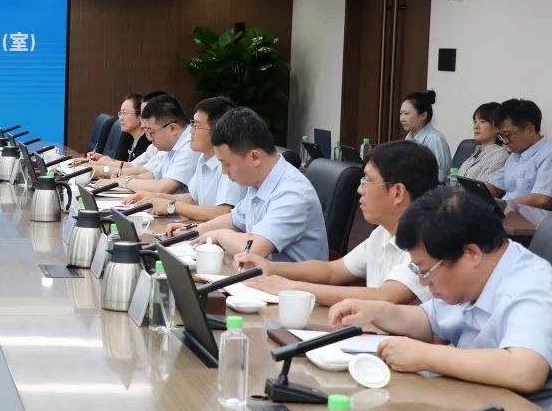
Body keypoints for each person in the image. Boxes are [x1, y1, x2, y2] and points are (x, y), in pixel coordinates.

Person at [330, 188, 552, 411]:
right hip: (483, 406)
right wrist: (377, 311)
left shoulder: (535, 288)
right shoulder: (476, 275)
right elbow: (430, 321)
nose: (423, 282)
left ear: (471, 254)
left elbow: (525, 370)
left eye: (426, 271)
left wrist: (426, 356)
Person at [238, 141, 438, 305]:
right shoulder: (382, 232)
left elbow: (385, 297)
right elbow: (332, 271)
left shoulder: (427, 241)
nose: (360, 190)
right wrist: (271, 268)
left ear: (397, 192)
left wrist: (291, 288)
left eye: (367, 181)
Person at [182, 107, 327, 262]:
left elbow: (253, 249)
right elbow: (236, 219)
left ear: (255, 157)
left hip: (289, 277)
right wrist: (194, 232)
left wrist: (218, 235)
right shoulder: (260, 180)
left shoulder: (293, 193)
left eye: (227, 163)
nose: (224, 171)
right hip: (261, 273)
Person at [123, 96, 245, 221]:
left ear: (218, 131)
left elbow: (224, 212)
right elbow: (193, 199)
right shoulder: (203, 157)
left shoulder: (231, 162)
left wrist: (171, 206)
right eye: (192, 124)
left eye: (196, 126)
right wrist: (155, 197)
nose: (190, 130)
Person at [487, 98, 552, 208]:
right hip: (508, 211)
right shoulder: (514, 155)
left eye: (507, 135)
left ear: (530, 130)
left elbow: (542, 199)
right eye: (501, 136)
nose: (505, 142)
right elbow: (495, 186)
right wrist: (476, 196)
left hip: (535, 215)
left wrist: (503, 207)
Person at [114, 95, 201, 192]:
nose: (149, 138)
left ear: (173, 128)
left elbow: (163, 187)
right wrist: (123, 179)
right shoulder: (173, 144)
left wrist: (125, 182)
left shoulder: (190, 146)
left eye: (151, 132)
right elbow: (154, 175)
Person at [73, 90, 166, 174]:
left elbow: (143, 172)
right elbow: (133, 166)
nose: (120, 118)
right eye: (120, 113)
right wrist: (101, 162)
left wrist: (102, 169)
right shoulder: (144, 143)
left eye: (124, 113)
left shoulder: (151, 143)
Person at [400, 90, 451, 181]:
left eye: (406, 114)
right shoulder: (409, 137)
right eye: (401, 114)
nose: (402, 119)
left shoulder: (435, 139)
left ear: (423, 115)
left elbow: (439, 177)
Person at [456, 101, 510, 183]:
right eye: (475, 121)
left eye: (482, 121)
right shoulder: (474, 154)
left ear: (498, 127)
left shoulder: (500, 156)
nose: (476, 126)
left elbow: (484, 188)